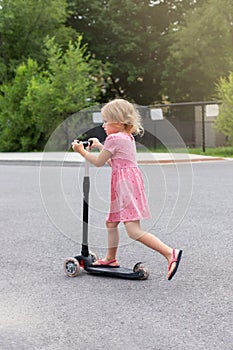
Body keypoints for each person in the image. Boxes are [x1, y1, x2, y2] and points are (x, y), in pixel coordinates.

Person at [72, 99, 182, 280]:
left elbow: (99, 162)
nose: (104, 125)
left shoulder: (115, 138)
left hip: (125, 187)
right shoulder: (126, 137)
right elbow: (113, 161)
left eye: (106, 121)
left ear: (118, 122)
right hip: (127, 183)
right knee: (111, 222)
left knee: (133, 230)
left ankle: (170, 253)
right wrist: (100, 146)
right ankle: (110, 259)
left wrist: (81, 151)